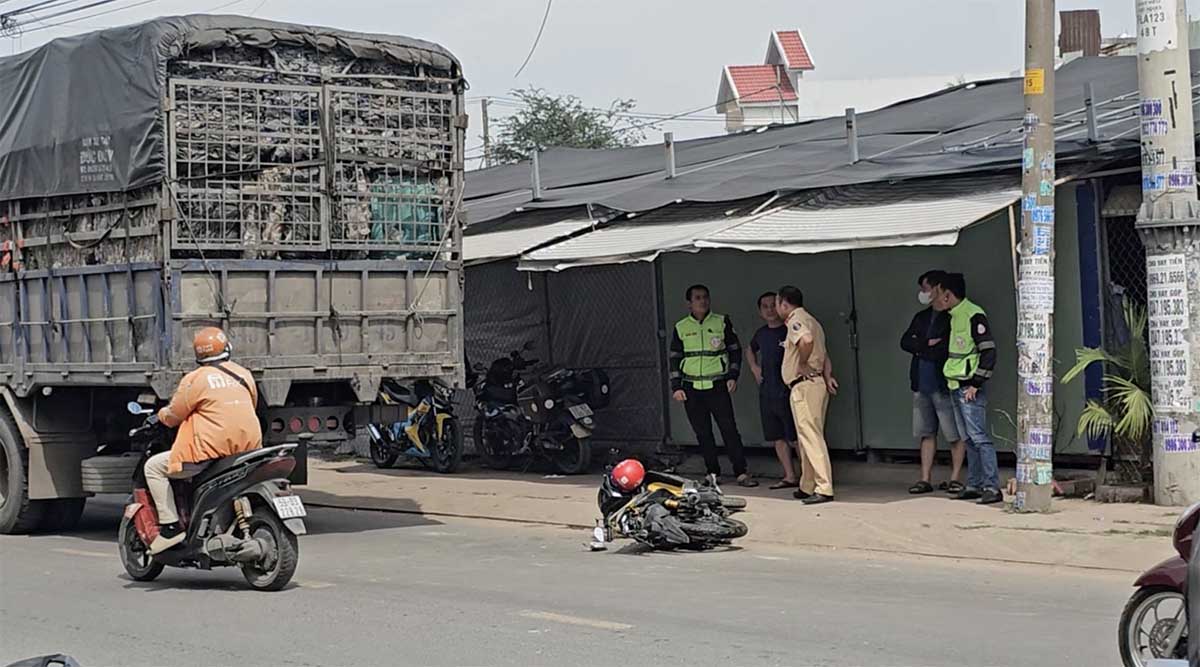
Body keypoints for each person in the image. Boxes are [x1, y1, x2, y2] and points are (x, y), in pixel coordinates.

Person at [144, 327, 263, 553]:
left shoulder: (195, 379)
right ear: (227, 348)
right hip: (248, 448)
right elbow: (252, 404)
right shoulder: (243, 374)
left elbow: (174, 415)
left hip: (210, 452)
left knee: (153, 468)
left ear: (199, 355)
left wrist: (158, 416)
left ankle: (170, 528)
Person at [669, 284, 758, 487]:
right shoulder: (681, 327)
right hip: (691, 388)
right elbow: (674, 357)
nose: (703, 301)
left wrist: (733, 375)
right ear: (689, 304)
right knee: (702, 432)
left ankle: (741, 472)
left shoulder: (721, 322)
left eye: (705, 297)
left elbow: (735, 350)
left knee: (729, 429)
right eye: (698, 298)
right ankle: (712, 472)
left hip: (717, 385)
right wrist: (676, 386)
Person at [929, 273, 1002, 505]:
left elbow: (988, 352)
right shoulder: (954, 316)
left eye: (937, 294)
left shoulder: (973, 314)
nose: (934, 299)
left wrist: (976, 383)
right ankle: (975, 484)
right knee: (968, 438)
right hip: (955, 385)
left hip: (968, 388)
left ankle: (992, 486)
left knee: (979, 438)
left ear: (948, 296)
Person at [899, 270, 966, 495]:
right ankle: (925, 478)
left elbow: (945, 347)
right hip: (921, 384)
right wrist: (927, 344)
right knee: (926, 433)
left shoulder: (953, 317)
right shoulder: (922, 317)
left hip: (944, 384)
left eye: (926, 288)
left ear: (938, 288)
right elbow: (906, 341)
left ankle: (955, 478)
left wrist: (923, 347)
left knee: (954, 434)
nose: (923, 293)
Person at [776, 286, 836, 505]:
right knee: (807, 436)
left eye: (777, 303)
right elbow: (824, 352)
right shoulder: (813, 320)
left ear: (784, 303)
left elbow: (807, 340)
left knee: (811, 437)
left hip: (804, 385)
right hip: (816, 383)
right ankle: (807, 484)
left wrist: (801, 363)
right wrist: (828, 375)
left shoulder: (796, 320)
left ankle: (823, 487)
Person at [746, 291, 801, 490]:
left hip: (787, 390)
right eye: (765, 307)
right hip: (767, 392)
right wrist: (754, 367)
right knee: (777, 437)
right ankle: (789, 476)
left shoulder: (790, 329)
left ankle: (808, 477)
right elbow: (750, 348)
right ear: (760, 311)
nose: (770, 310)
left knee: (795, 436)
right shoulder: (761, 334)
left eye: (773, 305)